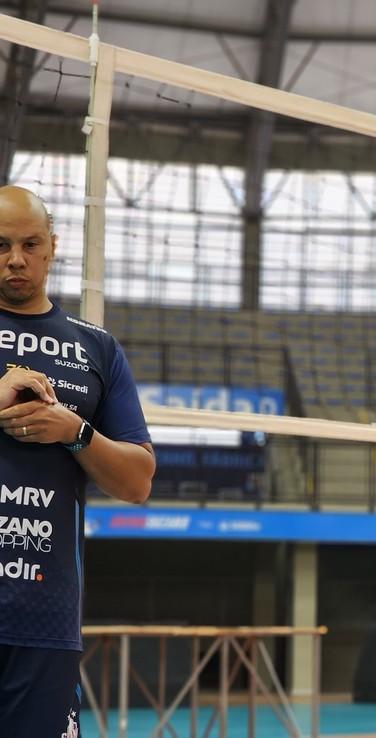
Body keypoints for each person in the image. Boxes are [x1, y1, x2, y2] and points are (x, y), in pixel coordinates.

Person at [0, 186, 155, 738]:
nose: (15, 259)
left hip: (45, 618)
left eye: (29, 244)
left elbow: (138, 482)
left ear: (52, 247)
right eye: (1, 245)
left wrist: (76, 432)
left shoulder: (97, 349)